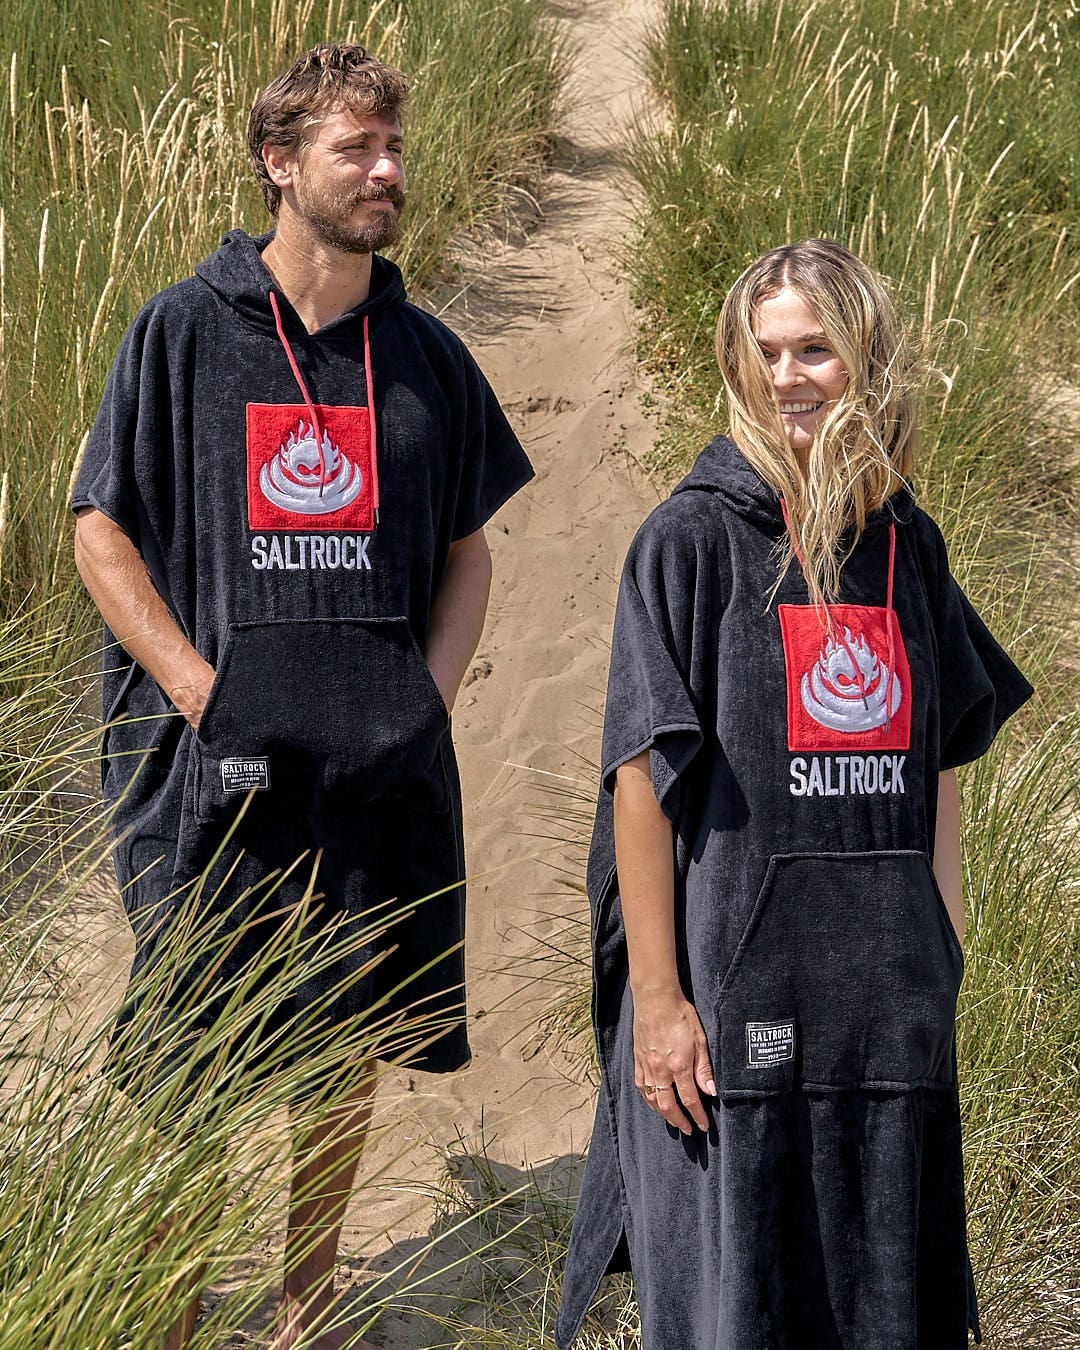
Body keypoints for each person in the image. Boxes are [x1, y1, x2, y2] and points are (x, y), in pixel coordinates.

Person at [73, 42, 532, 1350]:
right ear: (279, 164)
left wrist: (426, 702)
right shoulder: (182, 331)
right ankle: (168, 1301)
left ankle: (307, 1298)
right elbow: (99, 529)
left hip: (376, 770)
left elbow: (470, 552)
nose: (387, 171)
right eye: (355, 148)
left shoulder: (427, 356)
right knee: (190, 1052)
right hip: (215, 771)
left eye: (395, 148)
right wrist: (198, 690)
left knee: (339, 1041)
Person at [556, 238, 1032, 1349]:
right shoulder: (690, 540)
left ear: (866, 357)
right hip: (736, 1013)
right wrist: (660, 1005)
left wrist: (942, 942)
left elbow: (940, 758)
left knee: (888, 1308)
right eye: (764, 352)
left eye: (813, 349)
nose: (786, 377)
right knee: (740, 1307)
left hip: (885, 1013)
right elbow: (641, 781)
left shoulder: (908, 547)